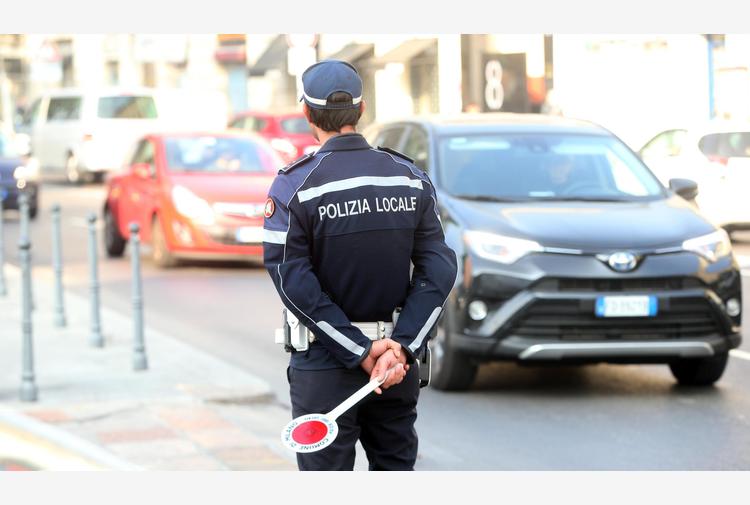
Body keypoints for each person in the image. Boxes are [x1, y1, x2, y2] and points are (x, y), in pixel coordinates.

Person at [262, 59, 457, 471]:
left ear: (307, 114)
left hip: (325, 367)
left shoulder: (294, 186)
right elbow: (438, 270)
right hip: (395, 370)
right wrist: (401, 348)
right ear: (361, 109)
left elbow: (292, 280)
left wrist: (359, 351)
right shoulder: (408, 178)